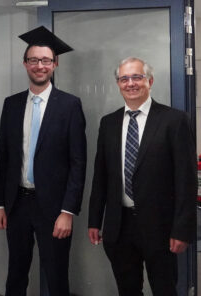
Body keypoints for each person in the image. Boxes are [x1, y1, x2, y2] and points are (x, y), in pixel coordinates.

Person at [88, 57, 197, 295]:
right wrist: (94, 220)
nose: (130, 83)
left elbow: (186, 180)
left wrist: (182, 229)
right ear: (118, 84)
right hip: (119, 226)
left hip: (161, 228)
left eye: (137, 77)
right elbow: (101, 177)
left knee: (164, 289)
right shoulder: (109, 123)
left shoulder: (174, 120)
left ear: (150, 81)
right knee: (127, 289)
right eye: (124, 78)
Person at [0, 26, 87, 296]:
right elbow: (4, 158)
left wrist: (68, 212)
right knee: (16, 274)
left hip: (54, 209)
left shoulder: (69, 105)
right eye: (33, 60)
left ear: (55, 64)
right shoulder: (11, 104)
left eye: (46, 60)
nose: (39, 66)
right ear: (25, 64)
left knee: (56, 276)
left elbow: (78, 162)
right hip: (17, 203)